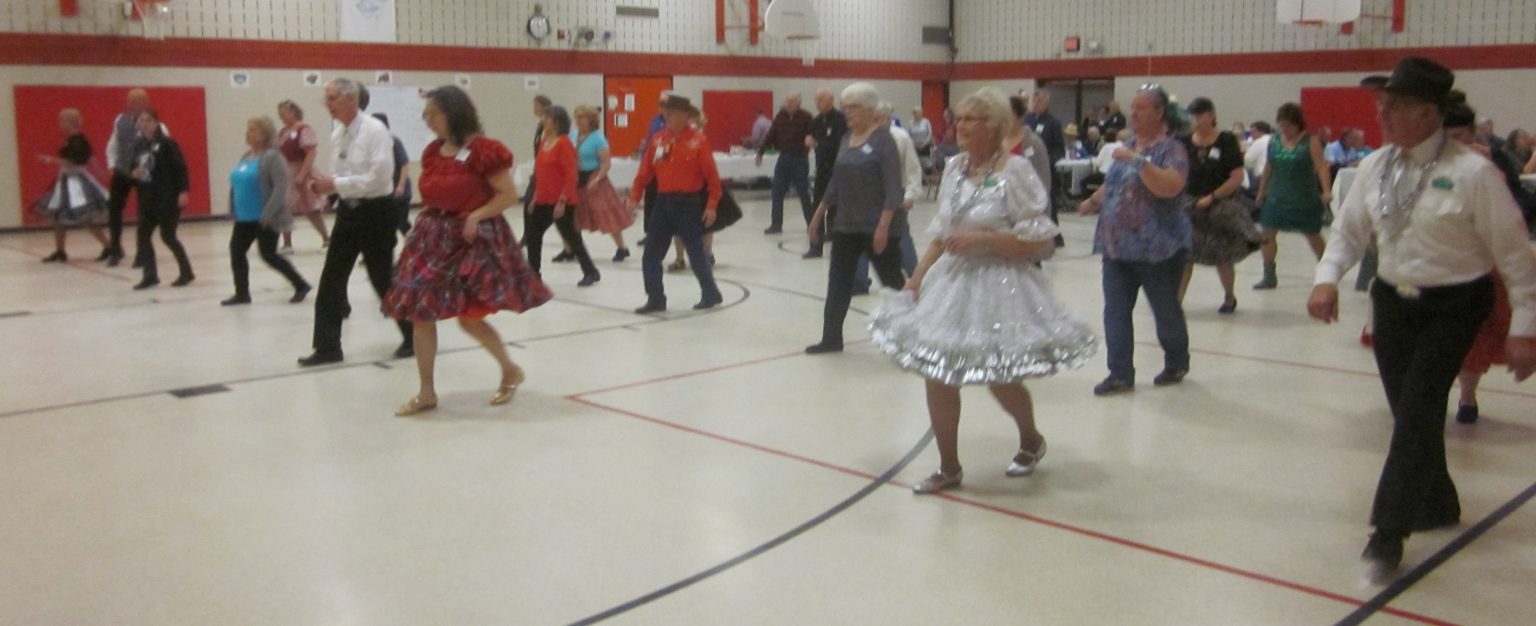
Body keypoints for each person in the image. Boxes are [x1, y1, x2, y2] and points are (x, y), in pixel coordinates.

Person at [1308, 57, 1536, 581]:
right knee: (1410, 412)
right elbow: (1348, 232)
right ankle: (1438, 502)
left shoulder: (1473, 174)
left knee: (1416, 413)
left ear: (1430, 113)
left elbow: (1516, 254)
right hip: (1394, 302)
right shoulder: (1373, 167)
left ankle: (1387, 533)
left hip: (1454, 305)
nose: (1383, 115)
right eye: (1382, 105)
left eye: (1395, 106)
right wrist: (1327, 278)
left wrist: (1525, 327)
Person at [871, 86, 1096, 494]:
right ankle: (948, 467)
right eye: (958, 118)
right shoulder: (955, 168)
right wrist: (918, 275)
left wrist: (985, 241)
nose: (959, 126)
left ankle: (1030, 439)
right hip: (952, 283)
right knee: (937, 373)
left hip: (1001, 284)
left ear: (993, 126)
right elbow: (942, 232)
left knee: (1001, 378)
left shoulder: (1015, 172)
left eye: (970, 119)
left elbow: (1041, 243)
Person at [384, 86, 553, 417]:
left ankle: (509, 368)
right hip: (434, 237)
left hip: (473, 237)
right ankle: (426, 391)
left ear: (453, 112)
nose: (427, 119)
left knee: (470, 319)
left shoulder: (484, 150)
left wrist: (476, 215)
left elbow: (507, 194)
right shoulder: (434, 151)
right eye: (426, 114)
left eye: (433, 113)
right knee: (421, 314)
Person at [1076, 86, 1192, 396]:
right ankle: (1120, 373)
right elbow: (1116, 184)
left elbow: (1169, 187)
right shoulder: (1128, 144)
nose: (1134, 113)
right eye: (1133, 107)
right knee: (1115, 310)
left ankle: (1177, 360)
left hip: (1158, 249)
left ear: (1159, 113)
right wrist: (1093, 201)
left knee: (1165, 309)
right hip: (1116, 247)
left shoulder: (1171, 150)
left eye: (1141, 108)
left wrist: (1138, 160)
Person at [298, 78, 414, 366]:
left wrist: (335, 184)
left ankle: (413, 335)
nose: (328, 104)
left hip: (377, 211)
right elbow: (343, 174)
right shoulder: (339, 133)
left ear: (352, 99)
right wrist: (330, 193)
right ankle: (327, 347)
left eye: (333, 98)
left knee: (382, 277)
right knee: (332, 278)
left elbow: (378, 178)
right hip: (349, 212)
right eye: (326, 98)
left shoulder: (376, 131)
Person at [804, 83, 907, 354]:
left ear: (871, 110)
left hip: (878, 227)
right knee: (838, 282)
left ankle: (914, 333)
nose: (847, 113)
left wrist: (884, 226)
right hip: (846, 225)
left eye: (854, 107)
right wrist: (817, 218)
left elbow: (894, 189)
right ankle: (831, 338)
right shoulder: (846, 139)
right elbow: (835, 183)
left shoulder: (883, 140)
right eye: (845, 107)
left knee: (893, 282)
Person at [1440, 95, 1516, 425]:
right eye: (1450, 137)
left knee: (1477, 336)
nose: (1457, 144)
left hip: (1480, 262)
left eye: (1462, 137)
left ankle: (1467, 396)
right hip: (1438, 261)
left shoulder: (1485, 166)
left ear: (1472, 134)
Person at [629, 95, 724, 313]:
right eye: (665, 112)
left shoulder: (698, 141)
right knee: (651, 253)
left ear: (685, 116)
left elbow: (712, 178)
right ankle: (655, 298)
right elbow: (644, 172)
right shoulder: (658, 140)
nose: (667, 116)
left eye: (671, 113)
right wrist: (634, 196)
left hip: (688, 204)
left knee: (695, 252)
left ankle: (710, 293)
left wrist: (711, 205)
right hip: (663, 202)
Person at [1179, 97, 1258, 314]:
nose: (1196, 120)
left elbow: (1236, 177)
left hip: (1220, 205)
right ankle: (1176, 303)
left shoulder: (1226, 141)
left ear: (1212, 115)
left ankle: (1229, 297)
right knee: (1186, 255)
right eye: (1192, 116)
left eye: (1200, 115)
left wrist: (1213, 197)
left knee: (1222, 256)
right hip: (1190, 205)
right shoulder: (1184, 142)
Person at [222, 116, 311, 306]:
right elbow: (236, 184)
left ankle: (300, 284)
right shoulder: (246, 156)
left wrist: (268, 213)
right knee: (236, 252)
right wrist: (233, 208)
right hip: (243, 217)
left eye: (253, 130)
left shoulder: (272, 157)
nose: (248, 133)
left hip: (264, 217)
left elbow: (280, 187)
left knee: (268, 255)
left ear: (264, 134)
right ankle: (242, 293)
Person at [1253, 102, 1331, 290]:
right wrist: (1262, 190)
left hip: (1303, 196)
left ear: (1298, 124)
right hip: (1276, 195)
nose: (1285, 129)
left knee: (1312, 234)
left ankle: (1327, 271)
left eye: (1289, 125)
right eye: (1282, 125)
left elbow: (1321, 166)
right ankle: (1269, 274)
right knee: (1267, 234)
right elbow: (1268, 167)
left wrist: (1327, 190)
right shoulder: (1274, 141)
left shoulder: (1310, 141)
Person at [524, 105, 600, 287]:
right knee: (533, 235)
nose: (543, 121)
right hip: (542, 199)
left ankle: (591, 271)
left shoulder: (564, 143)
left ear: (555, 122)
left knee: (572, 238)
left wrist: (563, 201)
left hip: (561, 201)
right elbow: (540, 172)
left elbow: (570, 174)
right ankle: (534, 274)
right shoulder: (543, 142)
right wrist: (534, 196)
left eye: (546, 118)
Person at [852, 101, 924, 294]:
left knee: (900, 237)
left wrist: (910, 195)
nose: (873, 123)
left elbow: (913, 170)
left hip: (895, 196)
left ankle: (917, 275)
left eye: (877, 119)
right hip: (867, 198)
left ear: (887, 119)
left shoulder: (901, 138)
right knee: (862, 237)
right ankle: (859, 282)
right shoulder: (863, 138)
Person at [127, 109, 194, 290]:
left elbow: (180, 168)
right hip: (147, 196)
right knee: (143, 235)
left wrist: (183, 191)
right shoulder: (138, 145)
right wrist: (133, 173)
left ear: (156, 122)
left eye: (148, 120)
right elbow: (132, 168)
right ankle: (150, 275)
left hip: (167, 196)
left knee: (168, 235)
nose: (144, 124)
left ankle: (186, 271)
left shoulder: (167, 144)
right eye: (141, 121)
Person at [36, 108, 108, 262]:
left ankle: (108, 246)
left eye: (62, 120)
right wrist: (100, 173)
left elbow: (75, 160)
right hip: (66, 180)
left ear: (70, 122)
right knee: (59, 217)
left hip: (76, 182)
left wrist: (50, 160)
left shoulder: (77, 140)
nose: (59, 124)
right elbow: (90, 158)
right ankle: (60, 250)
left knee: (85, 216)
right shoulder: (73, 139)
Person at [103, 88, 165, 267]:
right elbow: (113, 144)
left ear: (145, 102)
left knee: (143, 213)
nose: (130, 104)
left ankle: (142, 253)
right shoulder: (120, 120)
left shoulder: (157, 125)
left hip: (144, 174)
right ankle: (115, 249)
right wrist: (111, 164)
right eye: (129, 100)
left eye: (135, 101)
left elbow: (162, 151)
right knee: (114, 209)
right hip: (123, 171)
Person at [570, 105, 633, 262]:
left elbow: (606, 163)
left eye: (581, 117)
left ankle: (621, 247)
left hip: (594, 178)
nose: (578, 121)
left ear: (590, 120)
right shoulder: (572, 135)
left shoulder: (598, 138)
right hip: (575, 179)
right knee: (573, 216)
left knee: (606, 214)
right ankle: (570, 249)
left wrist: (598, 179)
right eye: (576, 117)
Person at [276, 100, 331, 251]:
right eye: (279, 114)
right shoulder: (282, 132)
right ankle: (287, 243)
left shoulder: (304, 129)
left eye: (283, 113)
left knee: (311, 209)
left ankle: (327, 238)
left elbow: (311, 153)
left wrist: (301, 175)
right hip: (286, 173)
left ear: (293, 112)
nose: (280, 116)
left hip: (301, 171)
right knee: (284, 208)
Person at [758, 93, 814, 236]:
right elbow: (770, 135)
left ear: (798, 103)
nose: (789, 104)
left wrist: (809, 144)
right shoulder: (780, 116)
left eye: (792, 101)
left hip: (800, 158)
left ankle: (811, 223)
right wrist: (760, 153)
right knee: (776, 191)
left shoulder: (806, 117)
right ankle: (776, 224)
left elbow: (813, 134)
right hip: (784, 157)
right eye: (787, 101)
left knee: (803, 192)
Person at [806, 87, 848, 259]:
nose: (817, 104)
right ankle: (815, 247)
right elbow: (811, 138)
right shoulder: (816, 121)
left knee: (837, 210)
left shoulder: (840, 121)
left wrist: (817, 144)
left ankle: (838, 247)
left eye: (820, 100)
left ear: (830, 100)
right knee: (816, 208)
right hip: (822, 172)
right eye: (816, 100)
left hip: (838, 171)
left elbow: (838, 145)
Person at [1023, 88, 1067, 241]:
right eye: (1034, 100)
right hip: (1026, 169)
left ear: (1047, 103)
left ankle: (1053, 236)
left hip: (1044, 170)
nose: (1036, 104)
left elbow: (1059, 149)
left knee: (1048, 202)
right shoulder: (1027, 120)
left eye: (1040, 101)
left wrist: (1048, 160)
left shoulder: (1053, 123)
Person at [371, 113, 413, 235]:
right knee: (387, 224)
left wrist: (400, 186)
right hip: (386, 192)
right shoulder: (374, 142)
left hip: (399, 192)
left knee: (402, 224)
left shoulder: (394, 141)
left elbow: (404, 165)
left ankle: (416, 246)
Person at [1242, 121, 1273, 195]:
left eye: (1253, 132)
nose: (1251, 135)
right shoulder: (1275, 140)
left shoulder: (1259, 142)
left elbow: (1247, 162)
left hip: (1261, 178)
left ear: (1262, 131)